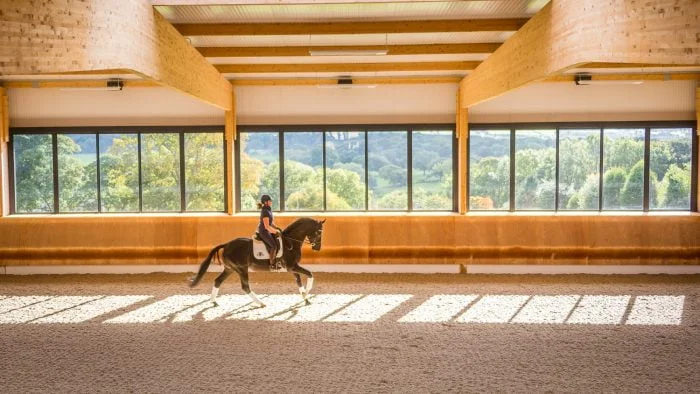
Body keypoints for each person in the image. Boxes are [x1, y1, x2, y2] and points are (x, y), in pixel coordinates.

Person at [257, 194, 282, 270]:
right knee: (273, 246)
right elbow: (267, 226)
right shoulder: (265, 211)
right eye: (269, 201)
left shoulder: (268, 209)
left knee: (277, 242)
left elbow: (271, 222)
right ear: (265, 202)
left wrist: (277, 228)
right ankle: (272, 264)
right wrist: (275, 232)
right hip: (264, 231)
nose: (271, 202)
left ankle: (277, 259)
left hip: (268, 230)